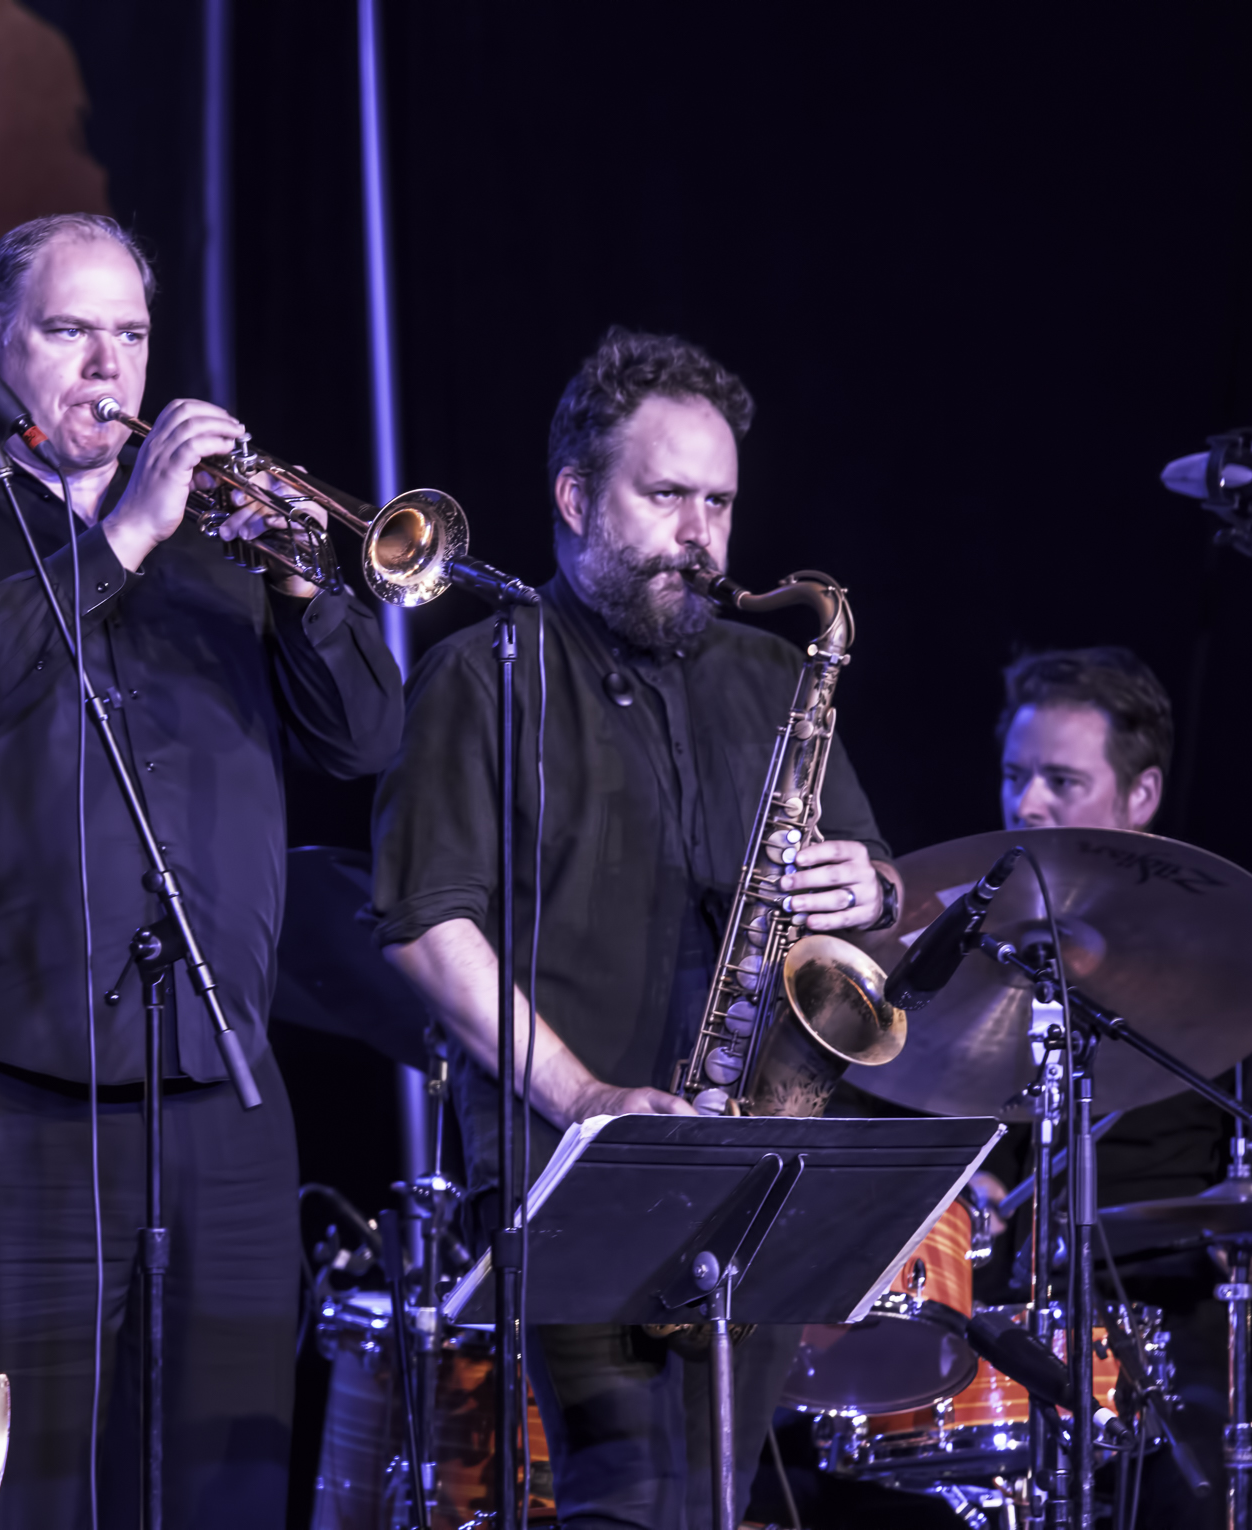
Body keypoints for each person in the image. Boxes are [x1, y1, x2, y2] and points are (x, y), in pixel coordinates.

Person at [0, 213, 402, 1525]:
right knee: (21, 1489)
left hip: (221, 1084)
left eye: (130, 335)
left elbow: (367, 738)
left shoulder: (222, 546)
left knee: (227, 1486)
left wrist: (310, 591)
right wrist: (124, 533)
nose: (109, 369)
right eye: (71, 332)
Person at [370, 325, 902, 1529]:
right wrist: (587, 1100)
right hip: (572, 1161)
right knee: (631, 1490)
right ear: (573, 497)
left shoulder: (772, 677)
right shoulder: (479, 675)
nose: (701, 533)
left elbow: (875, 883)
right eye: (665, 495)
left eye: (717, 501)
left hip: (754, 1153)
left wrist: (865, 889)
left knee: (714, 1495)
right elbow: (419, 925)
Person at [991, 646, 1252, 1529]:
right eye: (1017, 775)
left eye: (1061, 779)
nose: (1027, 804)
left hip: (1165, 1337)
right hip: (991, 1340)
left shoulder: (1225, 959)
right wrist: (961, 1190)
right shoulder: (970, 948)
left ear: (1140, 797)